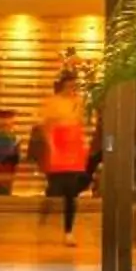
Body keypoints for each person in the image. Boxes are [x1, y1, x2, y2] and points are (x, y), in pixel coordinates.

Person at [31, 66, 93, 244]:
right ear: (62, 86)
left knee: (72, 192)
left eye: (74, 86)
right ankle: (45, 213)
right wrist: (51, 146)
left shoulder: (79, 102)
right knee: (55, 188)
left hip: (74, 146)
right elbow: (46, 126)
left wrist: (84, 144)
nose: (71, 89)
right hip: (57, 146)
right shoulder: (53, 102)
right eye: (68, 85)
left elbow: (80, 124)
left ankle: (68, 232)